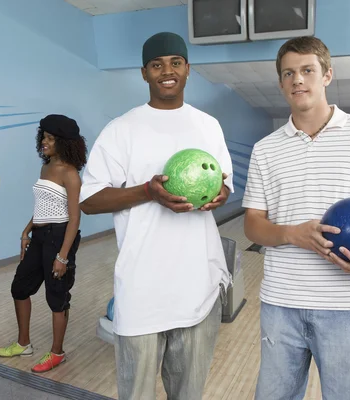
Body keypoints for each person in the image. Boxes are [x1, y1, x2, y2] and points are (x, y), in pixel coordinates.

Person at [242, 36, 350, 400]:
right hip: (281, 303)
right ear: (280, 83)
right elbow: (252, 224)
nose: (297, 80)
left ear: (327, 75)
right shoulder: (265, 149)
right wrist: (292, 234)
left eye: (307, 70)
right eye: (288, 73)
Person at [79, 32, 234, 399]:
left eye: (175, 63)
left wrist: (220, 195)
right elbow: (89, 200)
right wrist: (148, 192)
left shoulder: (208, 126)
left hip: (199, 286)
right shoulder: (122, 129)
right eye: (157, 65)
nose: (167, 71)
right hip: (141, 289)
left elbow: (224, 184)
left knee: (188, 394)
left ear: (187, 69)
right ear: (144, 73)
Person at [0, 114, 87, 374]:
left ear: (64, 142)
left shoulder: (70, 174)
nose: (44, 142)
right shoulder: (45, 167)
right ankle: (24, 343)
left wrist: (63, 257)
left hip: (60, 237)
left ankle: (57, 352)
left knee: (56, 297)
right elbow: (43, 207)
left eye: (50, 139)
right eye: (43, 137)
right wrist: (27, 231)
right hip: (39, 236)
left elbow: (74, 217)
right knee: (20, 287)